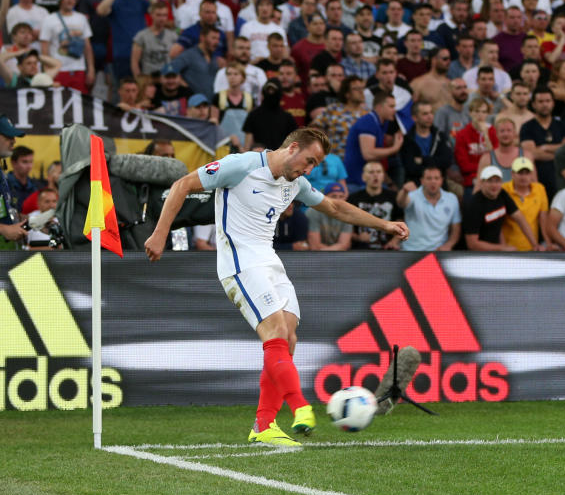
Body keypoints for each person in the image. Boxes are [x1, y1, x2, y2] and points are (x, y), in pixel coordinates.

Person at [144, 128, 410, 446]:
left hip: (269, 262)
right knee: (275, 332)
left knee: (289, 335)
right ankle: (300, 408)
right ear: (293, 148)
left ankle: (264, 425)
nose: (309, 169)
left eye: (315, 165)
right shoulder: (241, 166)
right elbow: (182, 184)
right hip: (239, 263)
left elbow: (336, 208)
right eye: (309, 160)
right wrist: (160, 233)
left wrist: (385, 224)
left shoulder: (294, 182)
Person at [462, 165, 541, 251]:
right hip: (474, 256)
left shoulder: (501, 193)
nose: (494, 185)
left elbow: (519, 217)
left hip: (494, 250)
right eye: (490, 181)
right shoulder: (474, 205)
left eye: (497, 181)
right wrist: (502, 248)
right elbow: (472, 244)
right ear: (482, 183)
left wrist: (535, 245)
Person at [343, 91, 404, 191]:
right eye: (391, 106)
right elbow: (368, 154)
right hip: (357, 183)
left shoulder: (382, 123)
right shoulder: (368, 122)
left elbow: (375, 159)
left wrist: (388, 182)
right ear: (379, 107)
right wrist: (395, 148)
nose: (394, 110)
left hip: (368, 181)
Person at [397, 166, 462, 251]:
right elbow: (401, 203)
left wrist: (449, 245)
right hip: (412, 251)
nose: (433, 181)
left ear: (441, 180)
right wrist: (404, 191)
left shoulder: (451, 199)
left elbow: (456, 228)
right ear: (422, 181)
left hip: (438, 252)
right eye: (429, 178)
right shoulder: (412, 195)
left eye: (436, 178)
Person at [502, 157, 552, 251]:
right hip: (510, 249)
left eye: (527, 173)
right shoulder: (504, 190)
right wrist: (503, 247)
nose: (524, 177)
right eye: (520, 173)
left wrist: (548, 243)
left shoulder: (540, 189)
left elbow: (543, 219)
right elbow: (498, 222)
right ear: (512, 174)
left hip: (532, 248)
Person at [0, 115, 29, 249]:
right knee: (37, 270)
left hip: (10, 252)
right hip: (6, 255)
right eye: (8, 136)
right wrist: (3, 229)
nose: (14, 141)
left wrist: (27, 220)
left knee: (39, 271)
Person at [305, 183, 352, 251]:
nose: (338, 201)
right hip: (316, 256)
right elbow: (315, 246)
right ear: (325, 197)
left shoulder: (348, 214)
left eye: (341, 197)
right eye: (334, 196)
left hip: (337, 256)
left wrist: (329, 254)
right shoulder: (313, 212)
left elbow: (344, 245)